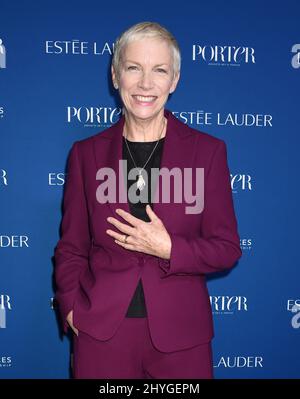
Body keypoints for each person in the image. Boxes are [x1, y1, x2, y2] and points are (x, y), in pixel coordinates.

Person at [54, 21, 242, 379]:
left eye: (159, 71)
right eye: (133, 68)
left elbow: (227, 247)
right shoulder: (85, 155)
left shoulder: (208, 152)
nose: (145, 84)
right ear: (115, 76)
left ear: (174, 81)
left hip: (181, 336)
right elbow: (71, 247)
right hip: (101, 332)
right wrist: (72, 309)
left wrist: (170, 248)